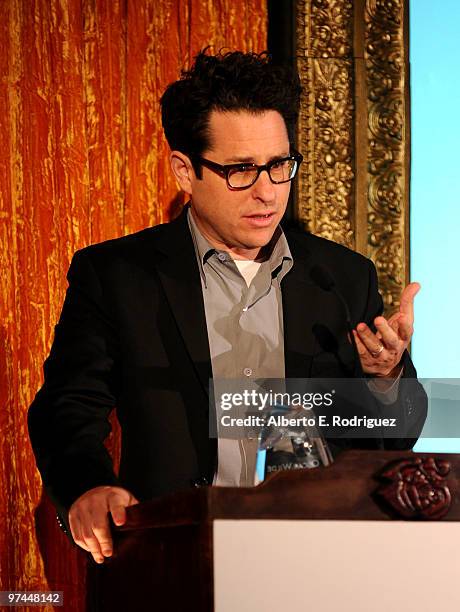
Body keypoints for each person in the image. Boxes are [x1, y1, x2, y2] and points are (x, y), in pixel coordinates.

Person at [28, 50, 426, 566]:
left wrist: (386, 379)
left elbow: (390, 441)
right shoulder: (118, 276)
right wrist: (87, 487)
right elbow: (67, 409)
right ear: (184, 170)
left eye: (280, 166)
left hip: (316, 563)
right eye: (241, 170)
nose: (267, 192)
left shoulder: (344, 277)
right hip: (172, 559)